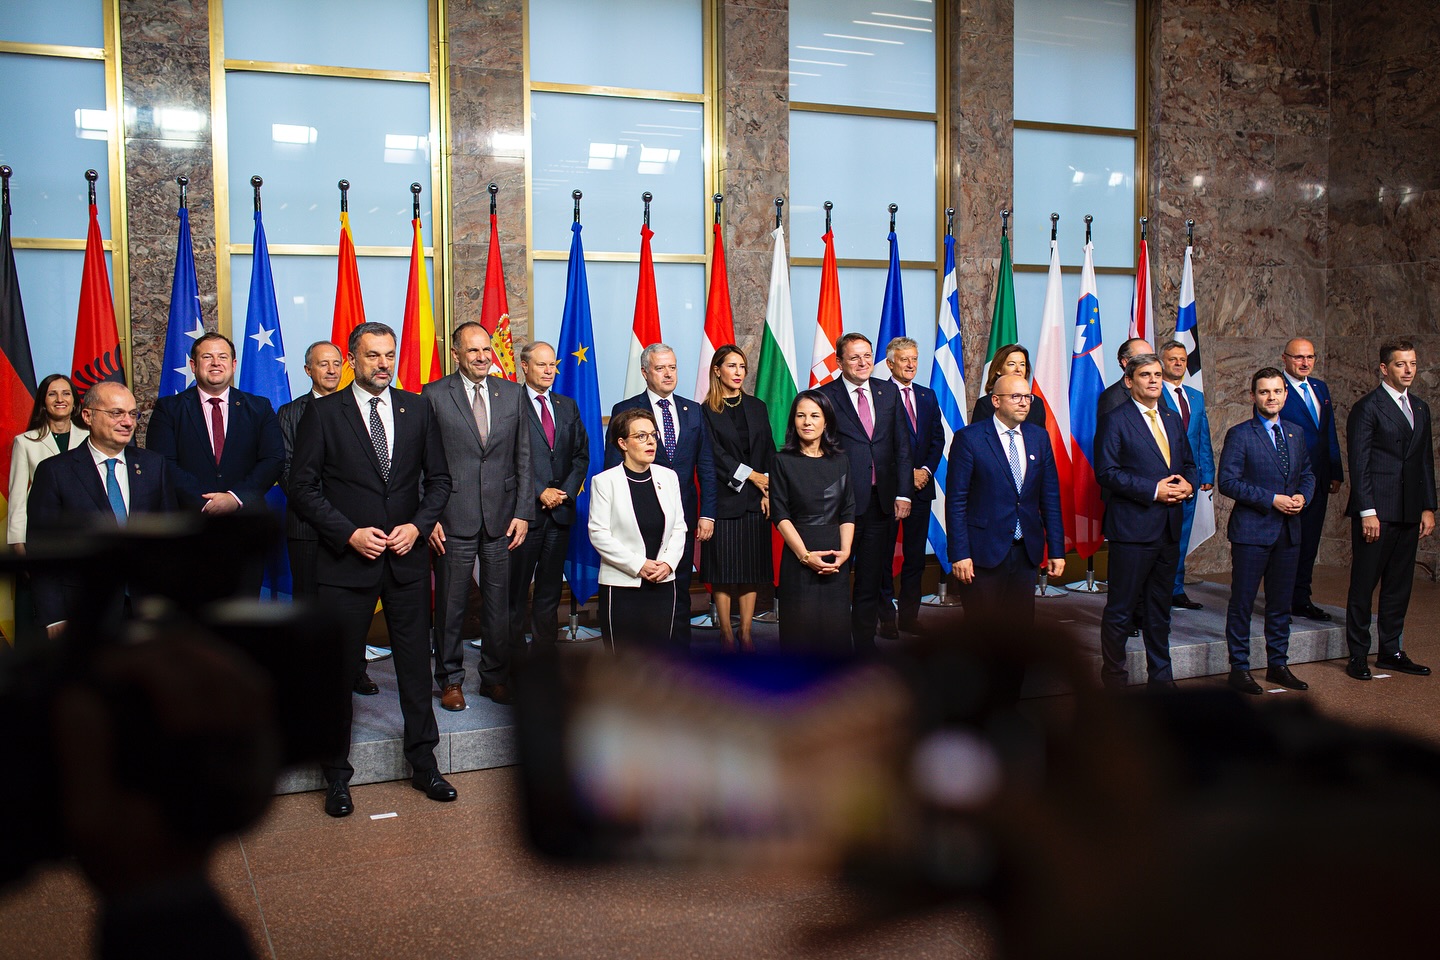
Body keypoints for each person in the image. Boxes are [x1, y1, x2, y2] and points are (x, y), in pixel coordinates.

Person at [290, 321, 456, 817]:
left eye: (389, 355)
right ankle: (336, 776)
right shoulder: (322, 413)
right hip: (345, 565)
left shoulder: (418, 408)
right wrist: (349, 533)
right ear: (351, 359)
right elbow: (303, 488)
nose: (383, 364)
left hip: (405, 562)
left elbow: (441, 480)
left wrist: (419, 526)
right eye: (372, 356)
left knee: (412, 667)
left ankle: (424, 762)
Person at [423, 321, 532, 710]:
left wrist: (522, 511)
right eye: (472, 351)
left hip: (503, 518)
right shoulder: (434, 395)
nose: (483, 356)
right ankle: (450, 680)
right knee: (451, 605)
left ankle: (495, 678)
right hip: (452, 517)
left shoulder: (513, 393)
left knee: (498, 605)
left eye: (486, 349)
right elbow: (423, 462)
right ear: (456, 355)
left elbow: (523, 457)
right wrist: (428, 517)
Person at [946, 374, 1065, 699]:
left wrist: (1056, 549)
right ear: (996, 401)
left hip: (1025, 552)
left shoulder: (1039, 438)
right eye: (1016, 397)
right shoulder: (970, 438)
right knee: (982, 634)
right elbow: (956, 500)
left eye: (1027, 397)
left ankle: (1011, 701)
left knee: (1019, 634)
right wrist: (959, 553)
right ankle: (978, 701)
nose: (1024, 402)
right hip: (981, 554)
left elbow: (1049, 497)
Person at [27, 382, 177, 633]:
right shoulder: (55, 471)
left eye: (132, 414)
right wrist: (54, 617)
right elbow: (42, 550)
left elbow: (171, 543)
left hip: (147, 611)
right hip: (83, 611)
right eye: (116, 413)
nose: (128, 422)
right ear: (88, 416)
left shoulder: (153, 466)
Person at [145, 332, 284, 595]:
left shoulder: (259, 407)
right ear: (193, 365)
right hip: (189, 530)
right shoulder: (169, 409)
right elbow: (162, 462)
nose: (215, 363)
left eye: (223, 357)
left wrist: (234, 497)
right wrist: (208, 503)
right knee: (192, 620)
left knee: (242, 618)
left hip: (245, 529)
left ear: (233, 365)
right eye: (207, 357)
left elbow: (273, 459)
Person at [279, 341, 378, 695]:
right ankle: (311, 676)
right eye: (324, 364)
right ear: (308, 370)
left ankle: (354, 670)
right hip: (308, 527)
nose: (332, 370)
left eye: (337, 363)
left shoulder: (361, 408)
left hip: (353, 528)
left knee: (354, 606)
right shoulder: (291, 413)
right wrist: (327, 512)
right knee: (309, 605)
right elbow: (290, 473)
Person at [1094, 353, 1196, 688]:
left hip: (1168, 528)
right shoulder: (1115, 419)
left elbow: (1188, 464)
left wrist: (1188, 485)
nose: (1154, 380)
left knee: (1159, 611)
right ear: (1129, 381)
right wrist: (1154, 490)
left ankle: (1162, 679)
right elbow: (1107, 473)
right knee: (1121, 610)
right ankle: (1114, 679)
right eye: (1145, 375)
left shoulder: (1170, 417)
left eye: (1157, 374)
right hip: (1133, 530)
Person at [607, 343, 716, 648]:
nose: (668, 374)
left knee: (679, 591)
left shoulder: (693, 410)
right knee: (641, 590)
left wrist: (707, 513)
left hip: (681, 519)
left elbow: (706, 465)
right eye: (660, 368)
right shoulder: (625, 410)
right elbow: (611, 469)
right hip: (638, 520)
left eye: (673, 367)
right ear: (644, 372)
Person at [1216, 368, 1315, 695]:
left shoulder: (1296, 433)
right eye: (1264, 392)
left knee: (1280, 604)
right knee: (1242, 603)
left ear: (1286, 395)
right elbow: (1228, 482)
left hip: (1288, 533)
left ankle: (1278, 665)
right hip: (1252, 533)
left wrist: (1303, 496)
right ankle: (1239, 668)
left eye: (1276, 391)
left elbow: (1308, 474)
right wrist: (1272, 500)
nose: (1271, 397)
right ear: (1253, 396)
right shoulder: (1240, 434)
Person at [1343, 338, 1435, 681]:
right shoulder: (1367, 407)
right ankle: (1357, 655)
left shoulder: (1421, 407)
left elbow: (1424, 461)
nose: (1408, 370)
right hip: (1376, 513)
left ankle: (1391, 651)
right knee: (1364, 585)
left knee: (1399, 585)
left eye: (1412, 363)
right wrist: (1367, 511)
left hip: (1410, 511)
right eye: (1400, 364)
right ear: (1384, 368)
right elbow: (1359, 463)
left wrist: (1428, 507)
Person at [817, 333, 912, 651]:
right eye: (854, 357)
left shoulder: (888, 392)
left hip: (880, 502)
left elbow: (902, 446)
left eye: (867, 355)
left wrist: (903, 493)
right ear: (839, 362)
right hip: (839, 504)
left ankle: (865, 645)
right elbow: (815, 451)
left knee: (871, 577)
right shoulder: (824, 396)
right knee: (835, 577)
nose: (862, 362)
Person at [510, 340, 589, 659]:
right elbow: (505, 457)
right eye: (541, 365)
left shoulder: (566, 405)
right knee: (515, 593)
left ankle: (543, 655)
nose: (549, 370)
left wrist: (565, 491)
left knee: (549, 590)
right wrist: (538, 490)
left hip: (560, 515)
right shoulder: (510, 403)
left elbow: (581, 455)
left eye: (552, 365)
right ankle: (513, 656)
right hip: (524, 516)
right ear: (524, 366)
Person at [589, 407, 689, 650]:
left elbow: (679, 528)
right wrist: (639, 565)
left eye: (653, 435)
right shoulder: (605, 482)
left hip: (663, 580)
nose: (650, 442)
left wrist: (666, 564)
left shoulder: (668, 477)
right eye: (641, 436)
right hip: (622, 583)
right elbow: (598, 534)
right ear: (622, 443)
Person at [698, 344, 775, 651]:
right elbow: (715, 456)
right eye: (732, 366)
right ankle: (727, 633)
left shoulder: (757, 406)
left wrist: (768, 488)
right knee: (724, 571)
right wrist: (750, 476)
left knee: (751, 570)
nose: (739, 373)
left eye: (742, 367)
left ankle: (745, 632)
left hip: (757, 499)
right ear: (717, 370)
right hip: (725, 499)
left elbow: (768, 449)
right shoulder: (705, 411)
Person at [769, 390, 855, 654]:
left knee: (835, 632)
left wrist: (845, 554)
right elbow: (780, 515)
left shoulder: (841, 460)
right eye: (801, 415)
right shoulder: (782, 461)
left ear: (826, 421)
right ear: (793, 421)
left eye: (814, 415)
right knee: (800, 636)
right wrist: (805, 556)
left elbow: (848, 511)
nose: (807, 421)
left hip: (835, 557)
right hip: (799, 557)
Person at [877, 337, 945, 637]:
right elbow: (878, 446)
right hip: (889, 490)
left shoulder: (927, 396)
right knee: (882, 556)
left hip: (922, 488)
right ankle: (886, 619)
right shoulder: (878, 394)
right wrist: (906, 476)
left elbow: (936, 439)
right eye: (904, 359)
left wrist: (925, 471)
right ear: (890, 363)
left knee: (915, 557)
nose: (911, 365)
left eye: (915, 359)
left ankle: (908, 616)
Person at [1279, 337, 1344, 621]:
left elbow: (1327, 432)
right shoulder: (1275, 388)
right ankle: (1281, 601)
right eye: (1298, 358)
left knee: (1310, 541)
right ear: (1285, 358)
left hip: (1319, 476)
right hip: (1290, 479)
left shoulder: (1320, 388)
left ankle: (1301, 598)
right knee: (1288, 542)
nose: (1305, 363)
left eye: (1310, 357)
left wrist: (1335, 470)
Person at [1158, 340, 1215, 609]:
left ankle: (1176, 590)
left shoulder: (1196, 396)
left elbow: (1202, 436)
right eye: (1173, 359)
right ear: (1162, 362)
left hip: (1190, 480)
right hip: (1163, 478)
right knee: (1161, 540)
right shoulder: (1155, 395)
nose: (1179, 363)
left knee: (1182, 537)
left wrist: (1207, 473)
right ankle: (1157, 590)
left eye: (1182, 359)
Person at [7, 373, 87, 553]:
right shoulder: (25, 441)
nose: (60, 399)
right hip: (43, 535)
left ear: (74, 401)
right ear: (43, 402)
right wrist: (18, 545)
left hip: (85, 533)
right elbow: (17, 500)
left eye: (66, 393)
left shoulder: (90, 438)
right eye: (52, 394)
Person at [969, 343, 1049, 429]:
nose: (1018, 369)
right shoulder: (985, 404)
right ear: (998, 369)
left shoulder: (1036, 403)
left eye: (1022, 364)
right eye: (1012, 364)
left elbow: (1040, 439)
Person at [1095, 337, 1152, 424]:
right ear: (1125, 362)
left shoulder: (1156, 389)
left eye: (1152, 357)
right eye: (1143, 358)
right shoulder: (1112, 397)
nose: (1150, 362)